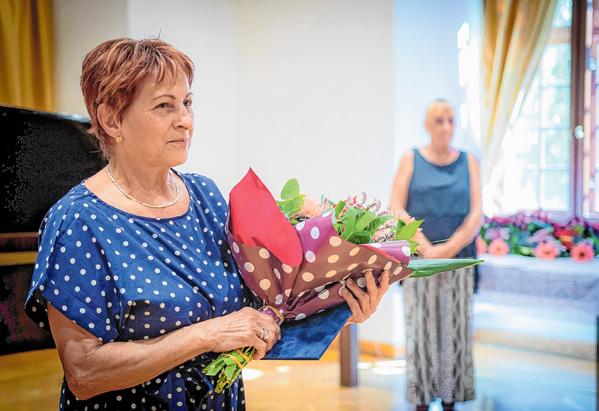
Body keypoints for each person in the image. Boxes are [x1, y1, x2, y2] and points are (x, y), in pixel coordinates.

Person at [24, 38, 389, 411]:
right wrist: (206, 335)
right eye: (164, 106)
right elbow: (84, 373)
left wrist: (339, 309)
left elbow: (260, 315)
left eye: (187, 103)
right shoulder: (78, 221)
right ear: (111, 119)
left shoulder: (205, 196)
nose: (184, 120)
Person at [389, 99, 482, 411]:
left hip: (459, 260)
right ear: (427, 125)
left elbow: (476, 214)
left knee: (455, 331)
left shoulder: (469, 161)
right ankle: (422, 398)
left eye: (451, 120)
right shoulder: (410, 159)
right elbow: (396, 208)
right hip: (420, 261)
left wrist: (448, 248)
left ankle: (451, 398)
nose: (446, 127)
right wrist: (426, 248)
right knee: (420, 330)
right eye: (439, 120)